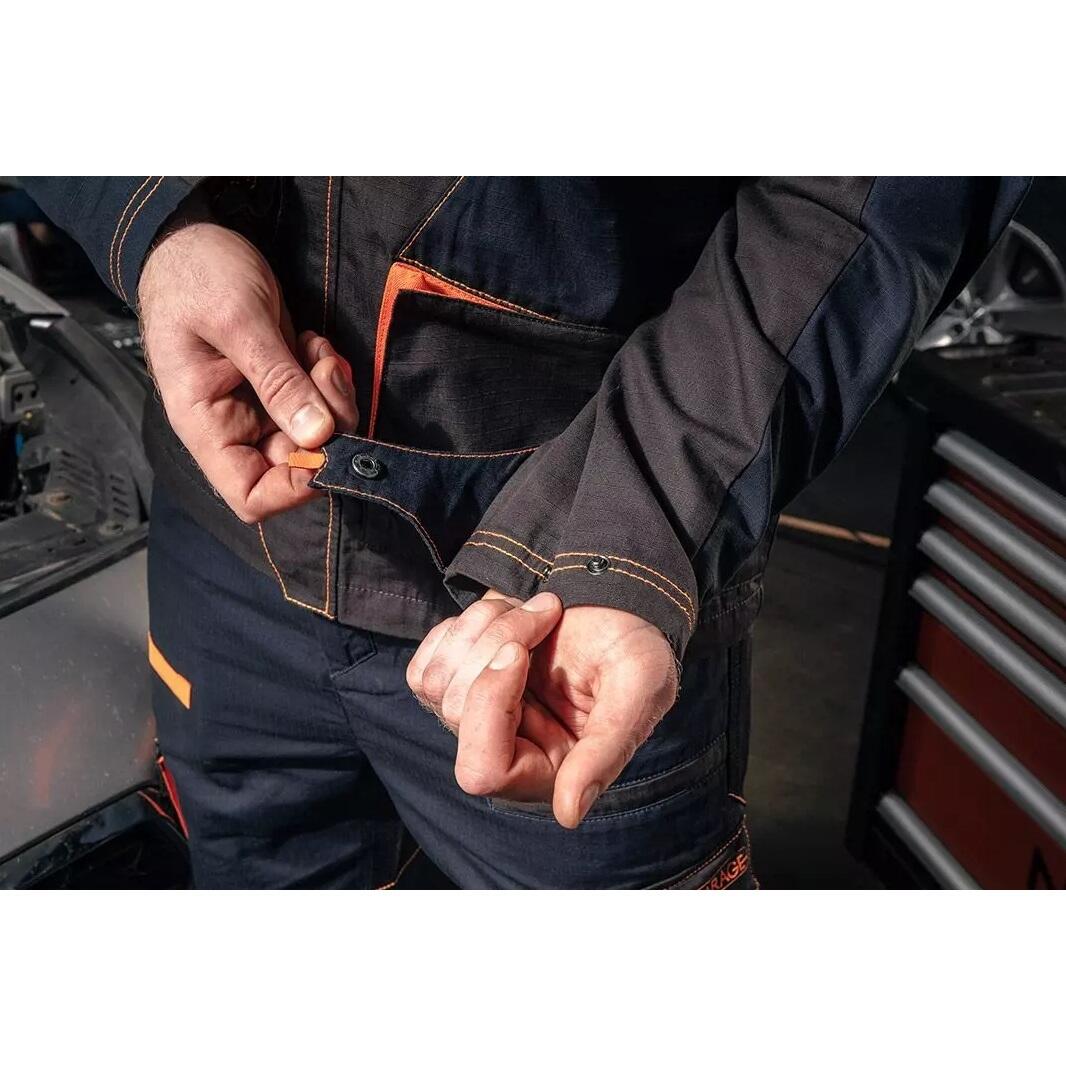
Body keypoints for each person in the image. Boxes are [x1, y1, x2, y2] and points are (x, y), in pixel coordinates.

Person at [23, 177, 1028, 888]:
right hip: (225, 551)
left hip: (565, 612)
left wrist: (629, 534)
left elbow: (865, 191)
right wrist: (158, 221)